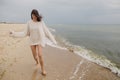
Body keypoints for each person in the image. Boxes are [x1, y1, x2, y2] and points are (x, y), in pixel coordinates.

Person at [9, 9, 57, 76]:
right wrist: (14, 34)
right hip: (32, 41)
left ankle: (43, 69)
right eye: (33, 15)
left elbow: (47, 31)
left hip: (40, 40)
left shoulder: (41, 22)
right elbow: (24, 33)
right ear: (31, 15)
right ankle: (37, 61)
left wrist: (53, 40)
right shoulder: (29, 22)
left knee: (40, 55)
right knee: (35, 56)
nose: (34, 16)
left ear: (37, 15)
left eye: (35, 15)